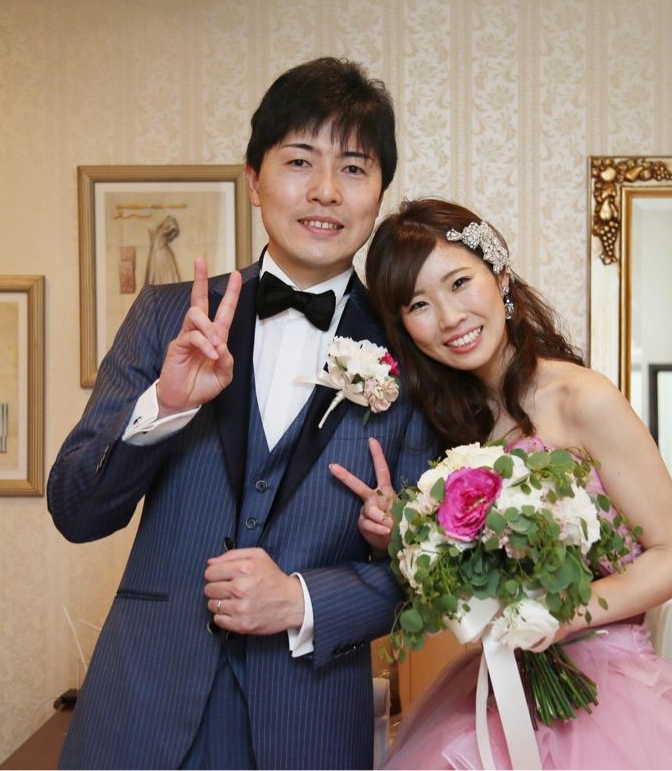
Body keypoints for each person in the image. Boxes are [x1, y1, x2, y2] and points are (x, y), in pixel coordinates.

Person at [46, 58, 436, 770]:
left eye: (353, 168)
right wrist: (163, 407)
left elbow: (430, 568)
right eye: (299, 161)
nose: (325, 191)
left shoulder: (412, 353)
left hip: (308, 723)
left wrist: (301, 600)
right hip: (141, 710)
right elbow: (76, 511)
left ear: (379, 192)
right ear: (254, 178)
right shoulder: (167, 315)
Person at [332, 198, 672, 769]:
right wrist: (400, 532)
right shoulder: (451, 423)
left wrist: (563, 614)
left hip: (608, 688)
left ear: (499, 276)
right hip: (502, 683)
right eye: (419, 304)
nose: (448, 317)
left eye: (460, 283)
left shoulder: (582, 399)